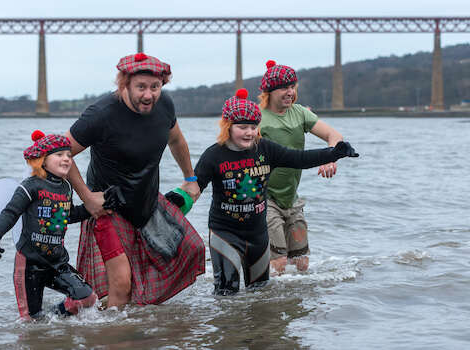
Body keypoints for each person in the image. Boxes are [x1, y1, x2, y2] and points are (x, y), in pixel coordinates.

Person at [64, 53, 205, 308]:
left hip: (147, 201)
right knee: (121, 284)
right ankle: (113, 338)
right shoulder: (101, 114)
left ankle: (133, 321)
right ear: (125, 83)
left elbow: (176, 140)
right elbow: (61, 154)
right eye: (141, 87)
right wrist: (87, 197)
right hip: (108, 207)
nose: (149, 95)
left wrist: (190, 178)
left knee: (192, 250)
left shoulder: (165, 106)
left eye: (155, 87)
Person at [192, 89, 358, 295]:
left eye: (253, 127)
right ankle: (228, 328)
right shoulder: (213, 155)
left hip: (258, 234)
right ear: (227, 126)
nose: (248, 133)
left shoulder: (265, 149)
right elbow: (194, 187)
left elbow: (299, 158)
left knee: (261, 294)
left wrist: (333, 153)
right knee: (226, 293)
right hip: (225, 234)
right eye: (242, 127)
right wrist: (174, 204)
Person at [0, 130, 97, 320]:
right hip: (29, 264)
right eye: (59, 154)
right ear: (42, 159)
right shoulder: (30, 186)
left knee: (87, 297)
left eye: (69, 155)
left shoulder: (66, 187)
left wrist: (97, 206)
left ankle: (52, 319)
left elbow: (66, 215)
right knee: (30, 322)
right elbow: (11, 212)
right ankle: (41, 327)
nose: (66, 158)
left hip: (57, 262)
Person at [258, 60, 347, 275]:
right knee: (278, 264)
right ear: (269, 91)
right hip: (265, 198)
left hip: (292, 199)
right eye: (284, 88)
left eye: (293, 87)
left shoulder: (300, 113)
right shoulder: (258, 119)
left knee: (302, 265)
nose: (290, 92)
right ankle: (264, 304)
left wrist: (330, 156)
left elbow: (334, 135)